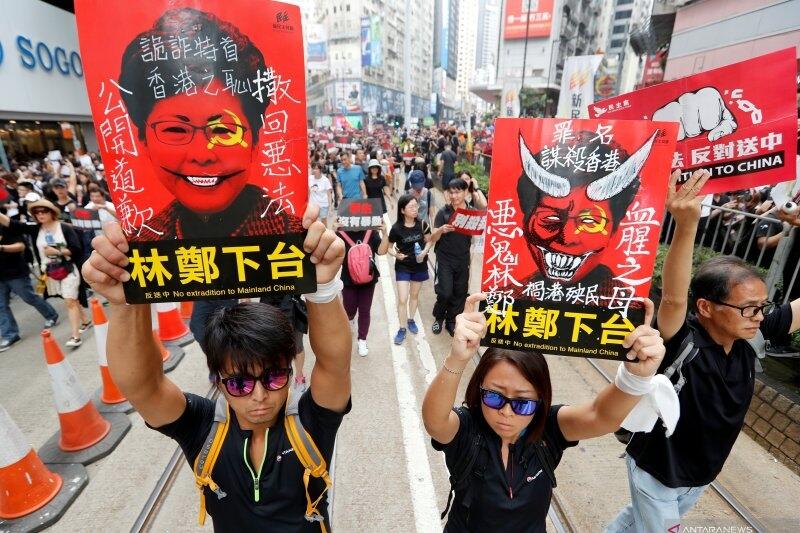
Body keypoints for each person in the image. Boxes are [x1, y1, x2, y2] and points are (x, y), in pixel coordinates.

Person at [81, 213, 352, 531]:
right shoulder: (203, 429)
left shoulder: (311, 424)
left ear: (291, 373)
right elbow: (143, 387)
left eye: (274, 377)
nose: (260, 396)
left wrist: (322, 287)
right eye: (239, 383)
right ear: (219, 382)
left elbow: (334, 364)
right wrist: (125, 305)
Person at [607, 169, 800, 532]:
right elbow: (675, 297)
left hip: (700, 473)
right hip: (658, 470)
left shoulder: (752, 336)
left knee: (634, 523)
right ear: (707, 308)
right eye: (747, 307)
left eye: (762, 306)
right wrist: (686, 224)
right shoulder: (683, 341)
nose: (758, 316)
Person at [423, 293, 666, 532]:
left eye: (523, 403)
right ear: (479, 389)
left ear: (542, 399)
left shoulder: (548, 429)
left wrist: (636, 376)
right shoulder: (468, 430)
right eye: (494, 396)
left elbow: (601, 416)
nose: (507, 413)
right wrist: (457, 358)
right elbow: (436, 422)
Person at [118, 8, 303, 240]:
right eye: (175, 129)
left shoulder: (297, 239)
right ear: (143, 140)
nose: (201, 154)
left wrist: (325, 276)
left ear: (255, 140)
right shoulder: (137, 246)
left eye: (223, 130)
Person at [0, 200, 90, 347]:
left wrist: (57, 251)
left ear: (52, 212)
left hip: (68, 268)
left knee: (69, 300)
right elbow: (11, 223)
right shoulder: (36, 229)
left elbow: (76, 249)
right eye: (36, 212)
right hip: (51, 271)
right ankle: (85, 320)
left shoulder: (64, 228)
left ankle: (75, 336)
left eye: (44, 211)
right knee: (70, 298)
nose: (40, 214)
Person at [431, 177, 487, 336]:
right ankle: (439, 317)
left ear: (465, 192)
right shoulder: (444, 212)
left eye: (457, 192)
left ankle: (451, 321)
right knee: (445, 292)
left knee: (460, 293)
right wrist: (441, 229)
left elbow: (482, 223)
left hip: (463, 259)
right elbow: (432, 237)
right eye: (451, 192)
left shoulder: (472, 212)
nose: (454, 196)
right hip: (445, 259)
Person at [0, 219, 60, 351]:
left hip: (15, 272)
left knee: (29, 297)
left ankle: (51, 315)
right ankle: (10, 335)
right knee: (1, 306)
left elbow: (21, 246)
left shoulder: (6, 226)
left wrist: (2, 247)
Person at [338, 220, 390, 356]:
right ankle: (350, 319)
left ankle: (362, 339)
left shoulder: (371, 231)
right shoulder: (340, 233)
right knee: (348, 309)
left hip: (368, 279)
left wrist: (385, 234)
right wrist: (332, 233)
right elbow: (331, 255)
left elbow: (381, 251)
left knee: (364, 310)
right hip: (348, 280)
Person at [389, 194, 435, 345]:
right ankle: (402, 328)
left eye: (416, 206)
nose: (415, 209)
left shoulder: (423, 224)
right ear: (402, 210)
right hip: (403, 266)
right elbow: (389, 248)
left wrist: (424, 251)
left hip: (419, 266)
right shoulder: (396, 228)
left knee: (414, 296)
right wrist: (396, 255)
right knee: (403, 298)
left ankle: (411, 320)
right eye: (411, 207)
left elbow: (429, 241)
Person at [308, 162, 333, 227]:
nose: (315, 170)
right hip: (313, 205)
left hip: (323, 204)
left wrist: (330, 207)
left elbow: (329, 194)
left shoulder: (325, 180)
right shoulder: (310, 178)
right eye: (314, 169)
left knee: (323, 222)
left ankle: (326, 235)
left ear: (320, 170)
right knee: (313, 223)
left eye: (317, 169)